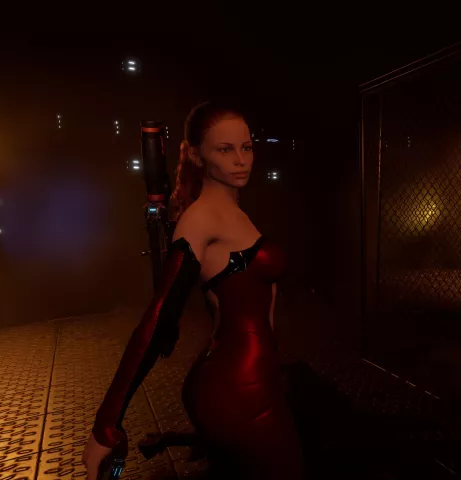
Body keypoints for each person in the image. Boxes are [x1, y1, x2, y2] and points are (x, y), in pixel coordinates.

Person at [82, 101, 304, 479]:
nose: (241, 160)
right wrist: (106, 424)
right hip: (236, 388)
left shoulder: (232, 211)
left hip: (255, 378)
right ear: (199, 156)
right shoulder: (199, 221)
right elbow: (157, 318)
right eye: (225, 149)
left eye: (247, 147)